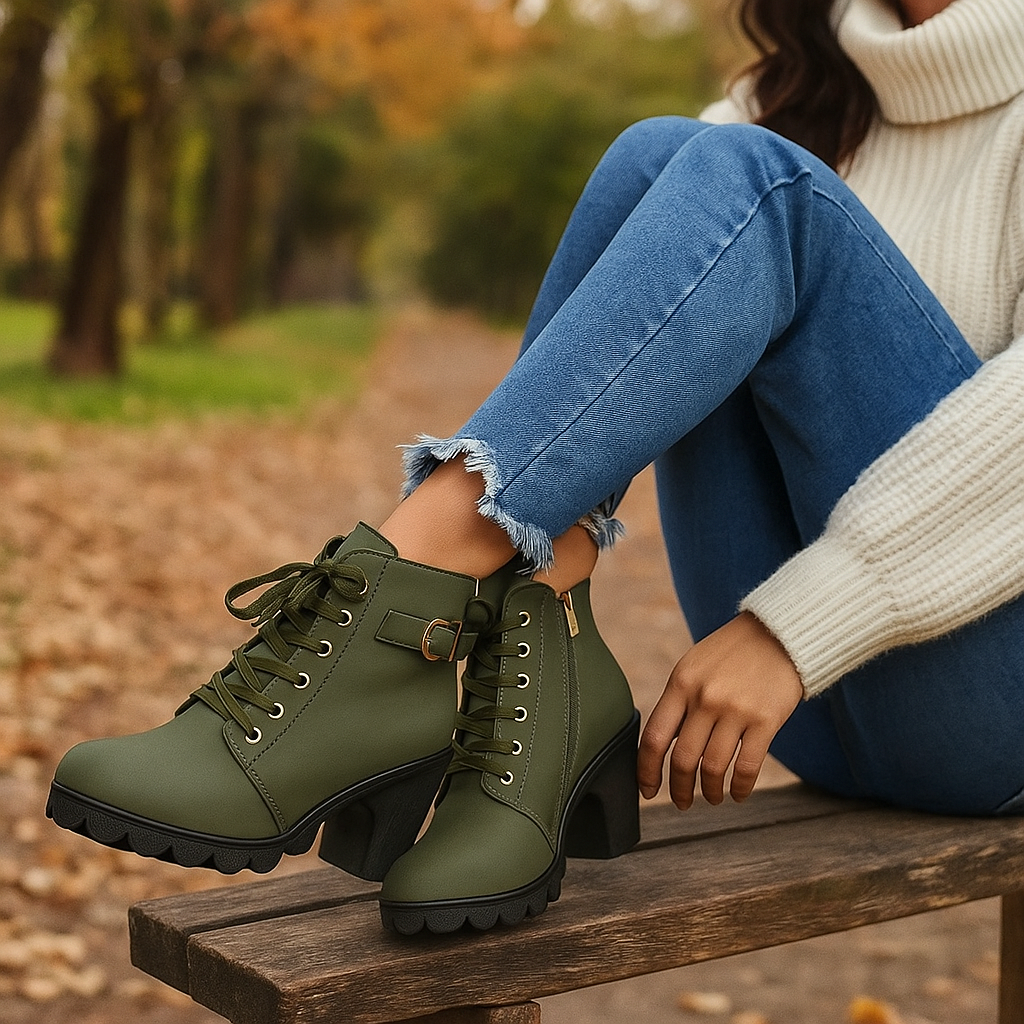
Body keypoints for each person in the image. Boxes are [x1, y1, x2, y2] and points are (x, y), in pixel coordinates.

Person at [47, 0, 1024, 936]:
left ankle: (385, 619)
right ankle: (541, 650)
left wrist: (798, 625)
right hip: (797, 721)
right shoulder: (794, 92)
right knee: (656, 155)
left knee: (753, 178)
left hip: (984, 708)